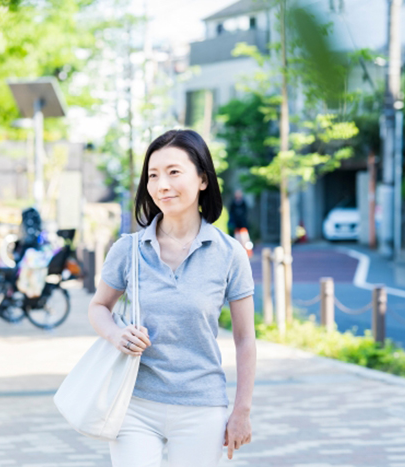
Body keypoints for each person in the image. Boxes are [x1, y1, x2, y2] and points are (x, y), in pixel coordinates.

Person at [88, 130, 256, 467]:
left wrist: (241, 411)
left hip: (201, 406)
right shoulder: (129, 250)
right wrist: (116, 334)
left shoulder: (229, 254)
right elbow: (98, 307)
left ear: (203, 179)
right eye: (153, 175)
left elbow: (244, 338)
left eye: (173, 172)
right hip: (135, 402)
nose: (161, 184)